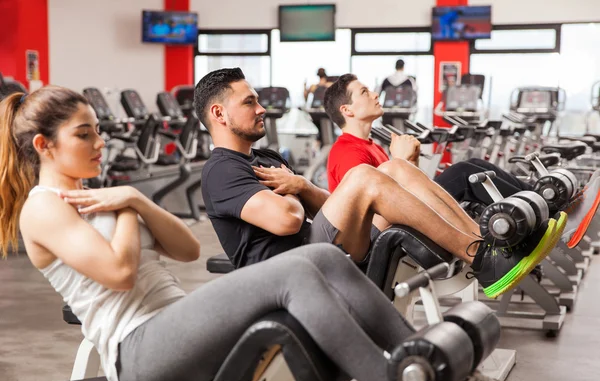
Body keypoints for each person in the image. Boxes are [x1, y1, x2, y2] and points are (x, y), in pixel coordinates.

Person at [0, 86, 484, 381]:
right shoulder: (43, 206)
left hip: (174, 325)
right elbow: (119, 272)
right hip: (137, 351)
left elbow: (187, 249)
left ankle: (438, 371)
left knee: (319, 254)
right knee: (297, 271)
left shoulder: (95, 196)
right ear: (45, 145)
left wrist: (138, 203)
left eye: (99, 131)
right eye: (85, 134)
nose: (100, 142)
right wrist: (129, 203)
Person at [197, 68, 562, 300]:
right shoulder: (221, 170)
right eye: (250, 102)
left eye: (259, 100)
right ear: (219, 114)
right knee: (365, 176)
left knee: (395, 171)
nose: (262, 108)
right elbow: (288, 221)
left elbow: (322, 206)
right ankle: (480, 256)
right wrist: (295, 193)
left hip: (319, 249)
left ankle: (488, 251)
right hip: (287, 272)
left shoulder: (268, 157)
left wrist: (302, 186)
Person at [324, 73, 599, 250]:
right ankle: (551, 215)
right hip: (376, 236)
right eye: (364, 92)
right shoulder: (349, 153)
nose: (374, 94)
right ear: (346, 110)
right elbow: (372, 212)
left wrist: (410, 161)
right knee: (466, 172)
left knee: (478, 166)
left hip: (401, 214)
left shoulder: (370, 144)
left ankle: (552, 208)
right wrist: (400, 160)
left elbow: (403, 188)